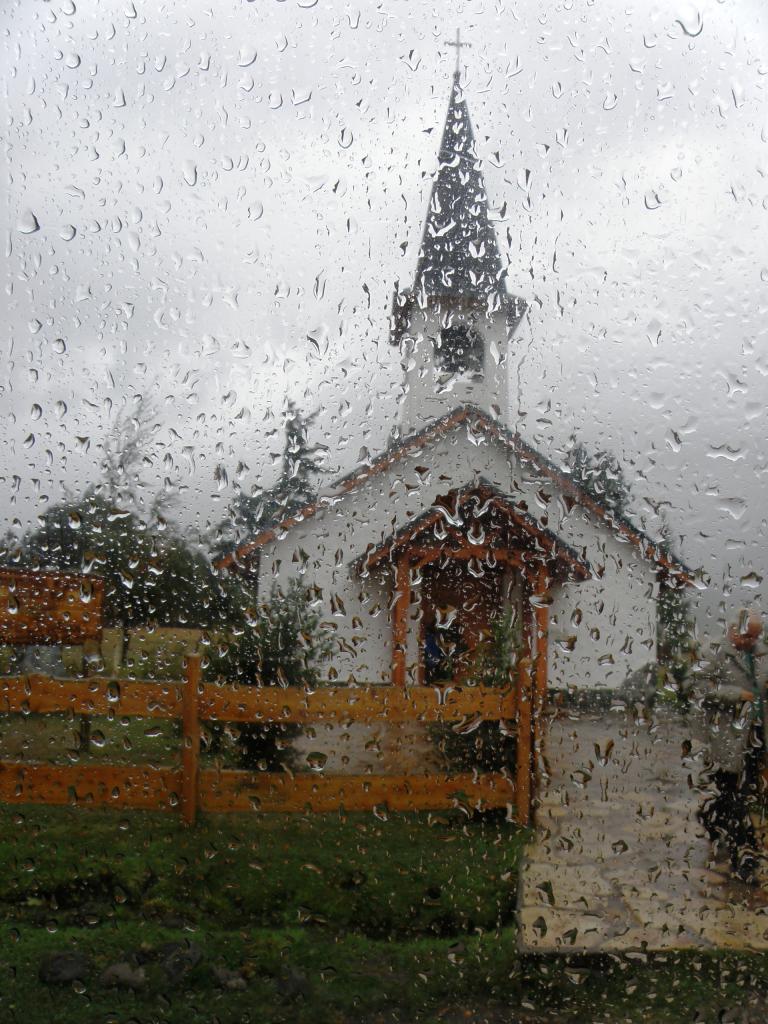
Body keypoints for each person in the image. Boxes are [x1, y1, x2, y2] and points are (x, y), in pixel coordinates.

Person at [689, 649, 763, 885]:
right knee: (736, 798)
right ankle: (745, 858)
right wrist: (735, 694)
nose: (753, 641)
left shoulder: (762, 654)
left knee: (740, 794)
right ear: (735, 632)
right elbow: (698, 690)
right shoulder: (717, 655)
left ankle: (709, 816)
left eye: (756, 636)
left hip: (757, 737)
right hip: (728, 739)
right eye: (748, 635)